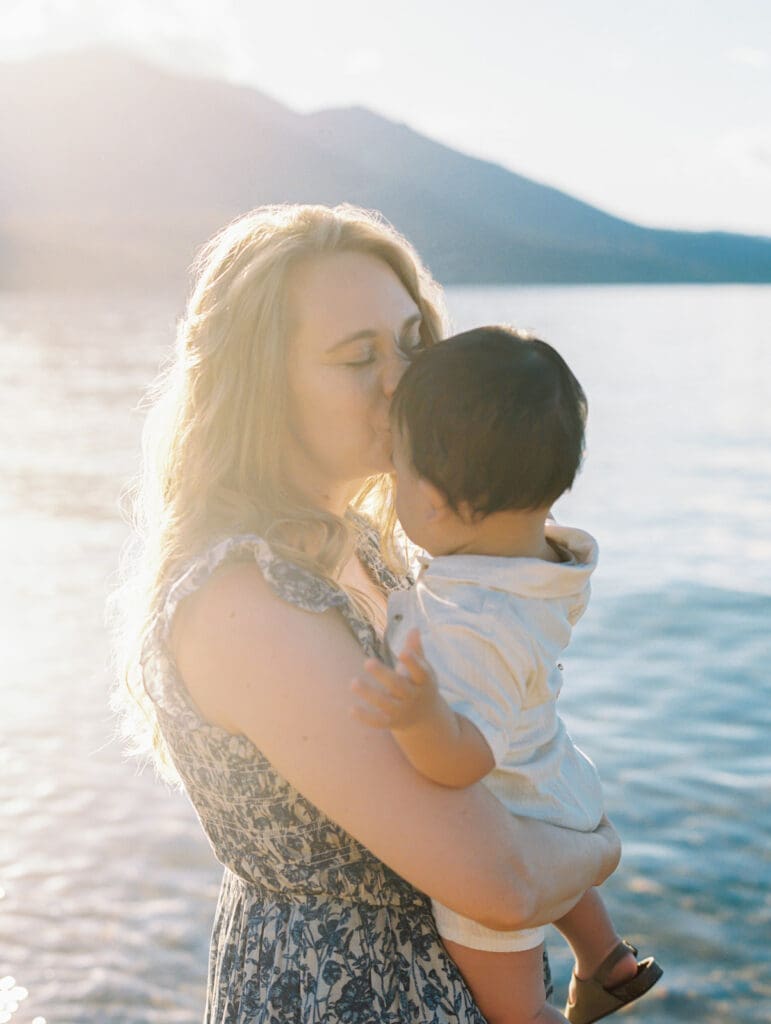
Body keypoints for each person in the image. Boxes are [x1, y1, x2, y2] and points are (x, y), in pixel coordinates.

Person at [116, 204, 621, 1023]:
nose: (402, 381)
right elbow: (498, 881)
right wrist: (598, 846)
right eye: (358, 358)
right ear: (258, 389)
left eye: (411, 344)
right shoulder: (241, 600)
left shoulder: (373, 548)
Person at [350, 326, 662, 1024]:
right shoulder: (541, 565)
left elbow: (463, 762)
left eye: (396, 472)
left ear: (431, 501)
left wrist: (417, 715)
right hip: (557, 791)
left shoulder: (470, 622)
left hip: (513, 824)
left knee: (514, 1012)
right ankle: (606, 958)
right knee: (569, 893)